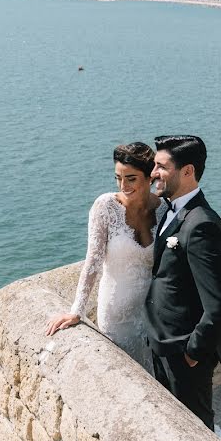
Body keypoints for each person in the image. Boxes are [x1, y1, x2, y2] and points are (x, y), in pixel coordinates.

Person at [46, 142, 167, 370]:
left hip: (152, 312)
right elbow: (92, 261)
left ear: (149, 177)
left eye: (131, 178)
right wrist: (77, 311)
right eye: (118, 178)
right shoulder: (105, 207)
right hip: (116, 314)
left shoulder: (163, 209)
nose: (123, 185)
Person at [145, 135, 221, 429]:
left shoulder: (201, 224)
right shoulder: (169, 211)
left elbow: (220, 304)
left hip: (183, 354)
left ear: (187, 171)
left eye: (161, 167)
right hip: (162, 344)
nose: (153, 173)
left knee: (195, 431)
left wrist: (193, 352)